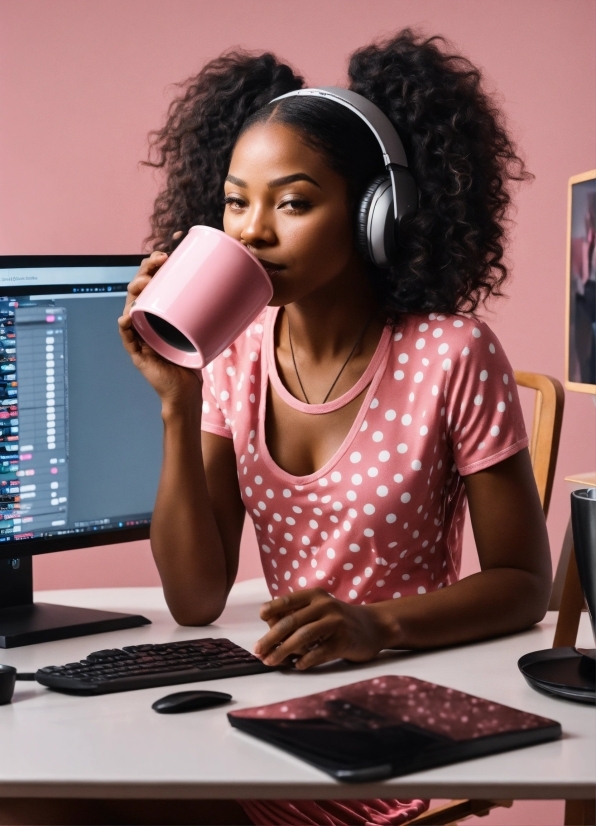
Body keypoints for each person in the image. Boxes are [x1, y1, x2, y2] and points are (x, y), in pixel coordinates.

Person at [117, 28, 552, 826]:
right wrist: (177, 404)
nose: (251, 231)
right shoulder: (236, 357)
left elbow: (526, 586)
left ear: (374, 216)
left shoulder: (451, 354)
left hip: (394, 734)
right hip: (264, 719)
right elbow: (196, 597)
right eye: (235, 201)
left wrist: (374, 625)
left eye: (293, 202)